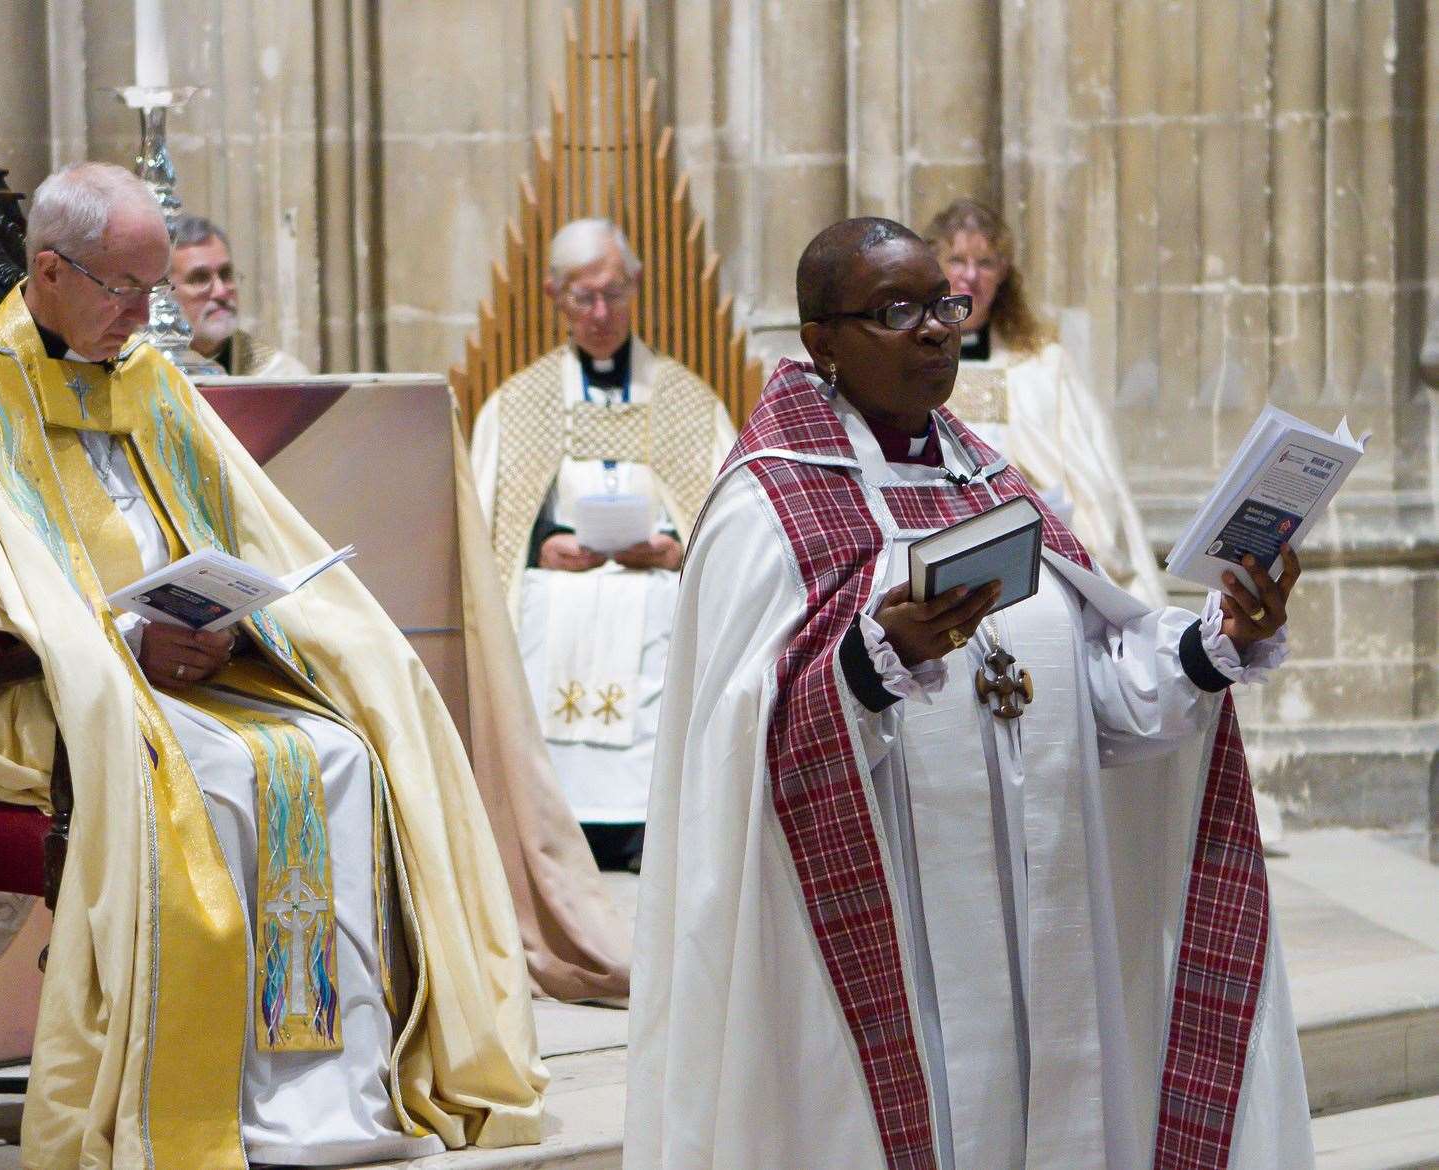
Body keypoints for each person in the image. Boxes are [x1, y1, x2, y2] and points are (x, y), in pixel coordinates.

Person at [0, 163, 543, 1167]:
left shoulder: (142, 376)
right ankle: (206, 1102)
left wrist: (233, 626)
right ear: (51, 271)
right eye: (125, 290)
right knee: (224, 779)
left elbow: (242, 530)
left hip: (176, 672)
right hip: (41, 698)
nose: (145, 317)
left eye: (154, 290)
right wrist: (120, 648)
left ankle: (324, 1096)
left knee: (339, 754)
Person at [626, 217, 1313, 1169]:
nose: (936, 330)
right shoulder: (768, 510)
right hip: (890, 959)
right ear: (821, 340)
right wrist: (869, 667)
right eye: (896, 309)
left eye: (943, 304)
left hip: (1044, 936)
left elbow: (1086, 697)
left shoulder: (992, 484)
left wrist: (1212, 646)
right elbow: (732, 758)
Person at [471, 218, 734, 871]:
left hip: (654, 585)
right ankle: (554, 825)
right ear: (552, 295)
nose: (599, 313)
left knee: (659, 609)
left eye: (614, 294)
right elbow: (491, 528)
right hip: (561, 589)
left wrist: (678, 549)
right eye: (581, 297)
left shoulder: (686, 401)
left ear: (637, 287)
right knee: (541, 604)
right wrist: (540, 546)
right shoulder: (518, 404)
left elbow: (728, 518)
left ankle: (652, 826)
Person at [927, 197, 1168, 607]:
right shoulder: (907, 361)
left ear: (1003, 274)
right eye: (957, 260)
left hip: (1036, 563)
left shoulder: (1043, 363)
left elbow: (1092, 476)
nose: (970, 276)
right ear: (933, 267)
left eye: (985, 263)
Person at [171, 213, 312, 377]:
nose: (221, 292)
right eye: (200, 279)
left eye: (226, 274)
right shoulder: (142, 368)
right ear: (164, 290)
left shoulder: (280, 374)